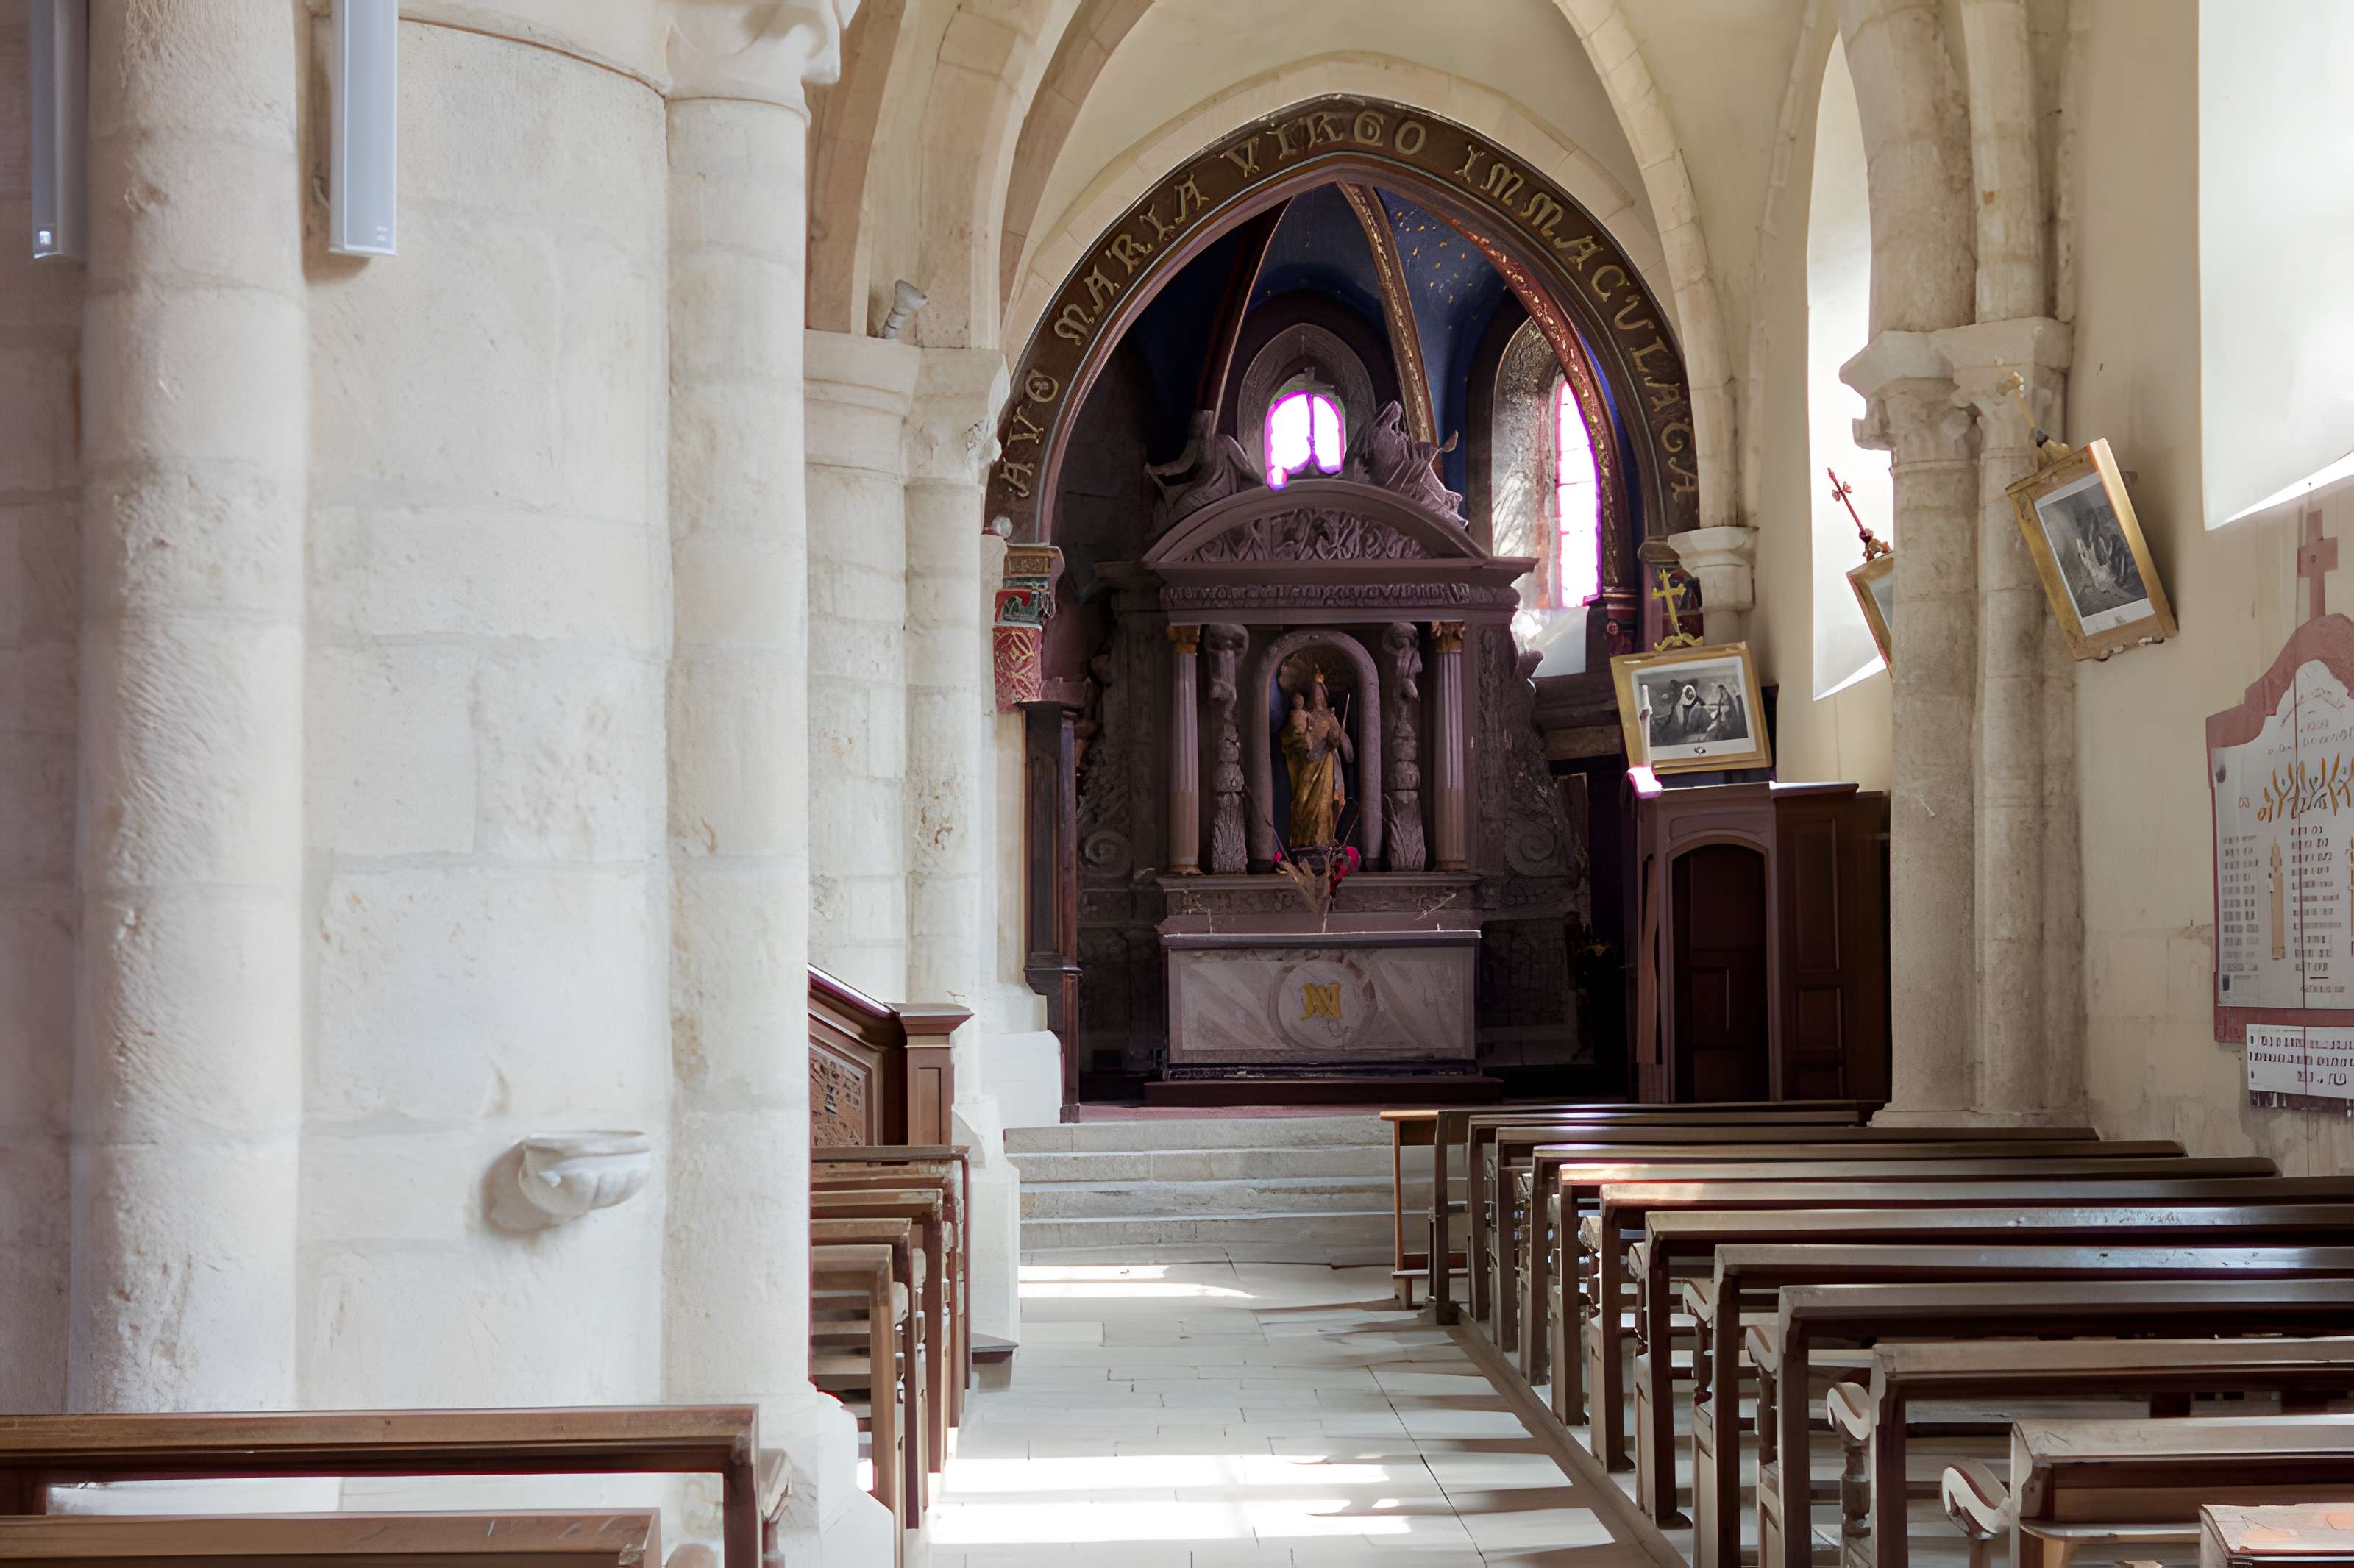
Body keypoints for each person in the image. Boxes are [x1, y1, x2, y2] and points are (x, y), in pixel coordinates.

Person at [1280, 672, 1354, 847]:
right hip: (1307, 763)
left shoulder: (1330, 716)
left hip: (1326, 765)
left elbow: (1344, 746)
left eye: (1320, 692)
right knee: (1302, 800)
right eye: (1314, 692)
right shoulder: (1303, 715)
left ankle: (1322, 841)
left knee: (1323, 804)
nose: (1317, 696)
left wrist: (1336, 737)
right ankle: (1301, 841)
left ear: (1325, 695)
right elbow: (1288, 738)